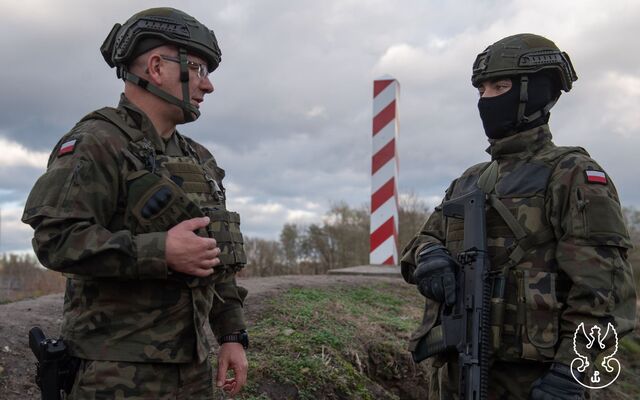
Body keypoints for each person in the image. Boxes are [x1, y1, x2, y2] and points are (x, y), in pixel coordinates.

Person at [22, 8, 249, 399]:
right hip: (115, 372)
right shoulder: (96, 142)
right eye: (197, 68)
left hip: (193, 370)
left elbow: (215, 258)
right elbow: (55, 239)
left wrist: (231, 333)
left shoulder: (199, 158)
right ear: (157, 67)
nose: (207, 85)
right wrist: (159, 251)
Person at [401, 33, 636, 400]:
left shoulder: (573, 174)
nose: (486, 99)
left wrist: (572, 373)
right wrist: (428, 256)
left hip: (534, 383)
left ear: (534, 92)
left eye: (500, 85)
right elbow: (424, 241)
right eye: (481, 89)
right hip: (454, 377)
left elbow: (604, 291)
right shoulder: (470, 180)